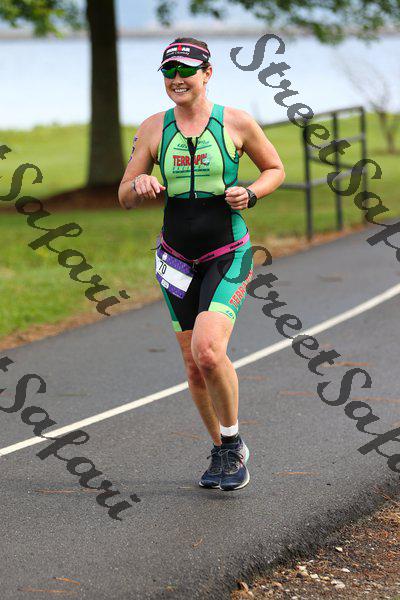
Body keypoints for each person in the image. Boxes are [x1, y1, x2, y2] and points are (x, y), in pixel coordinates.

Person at [118, 37, 285, 491]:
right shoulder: (153, 128)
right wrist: (141, 184)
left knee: (208, 351)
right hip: (174, 259)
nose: (177, 79)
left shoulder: (236, 122)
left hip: (227, 252)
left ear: (207, 73)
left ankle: (231, 443)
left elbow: (275, 169)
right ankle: (223, 449)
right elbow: (124, 195)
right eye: (169, 71)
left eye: (186, 71)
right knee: (194, 366)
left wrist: (251, 192)